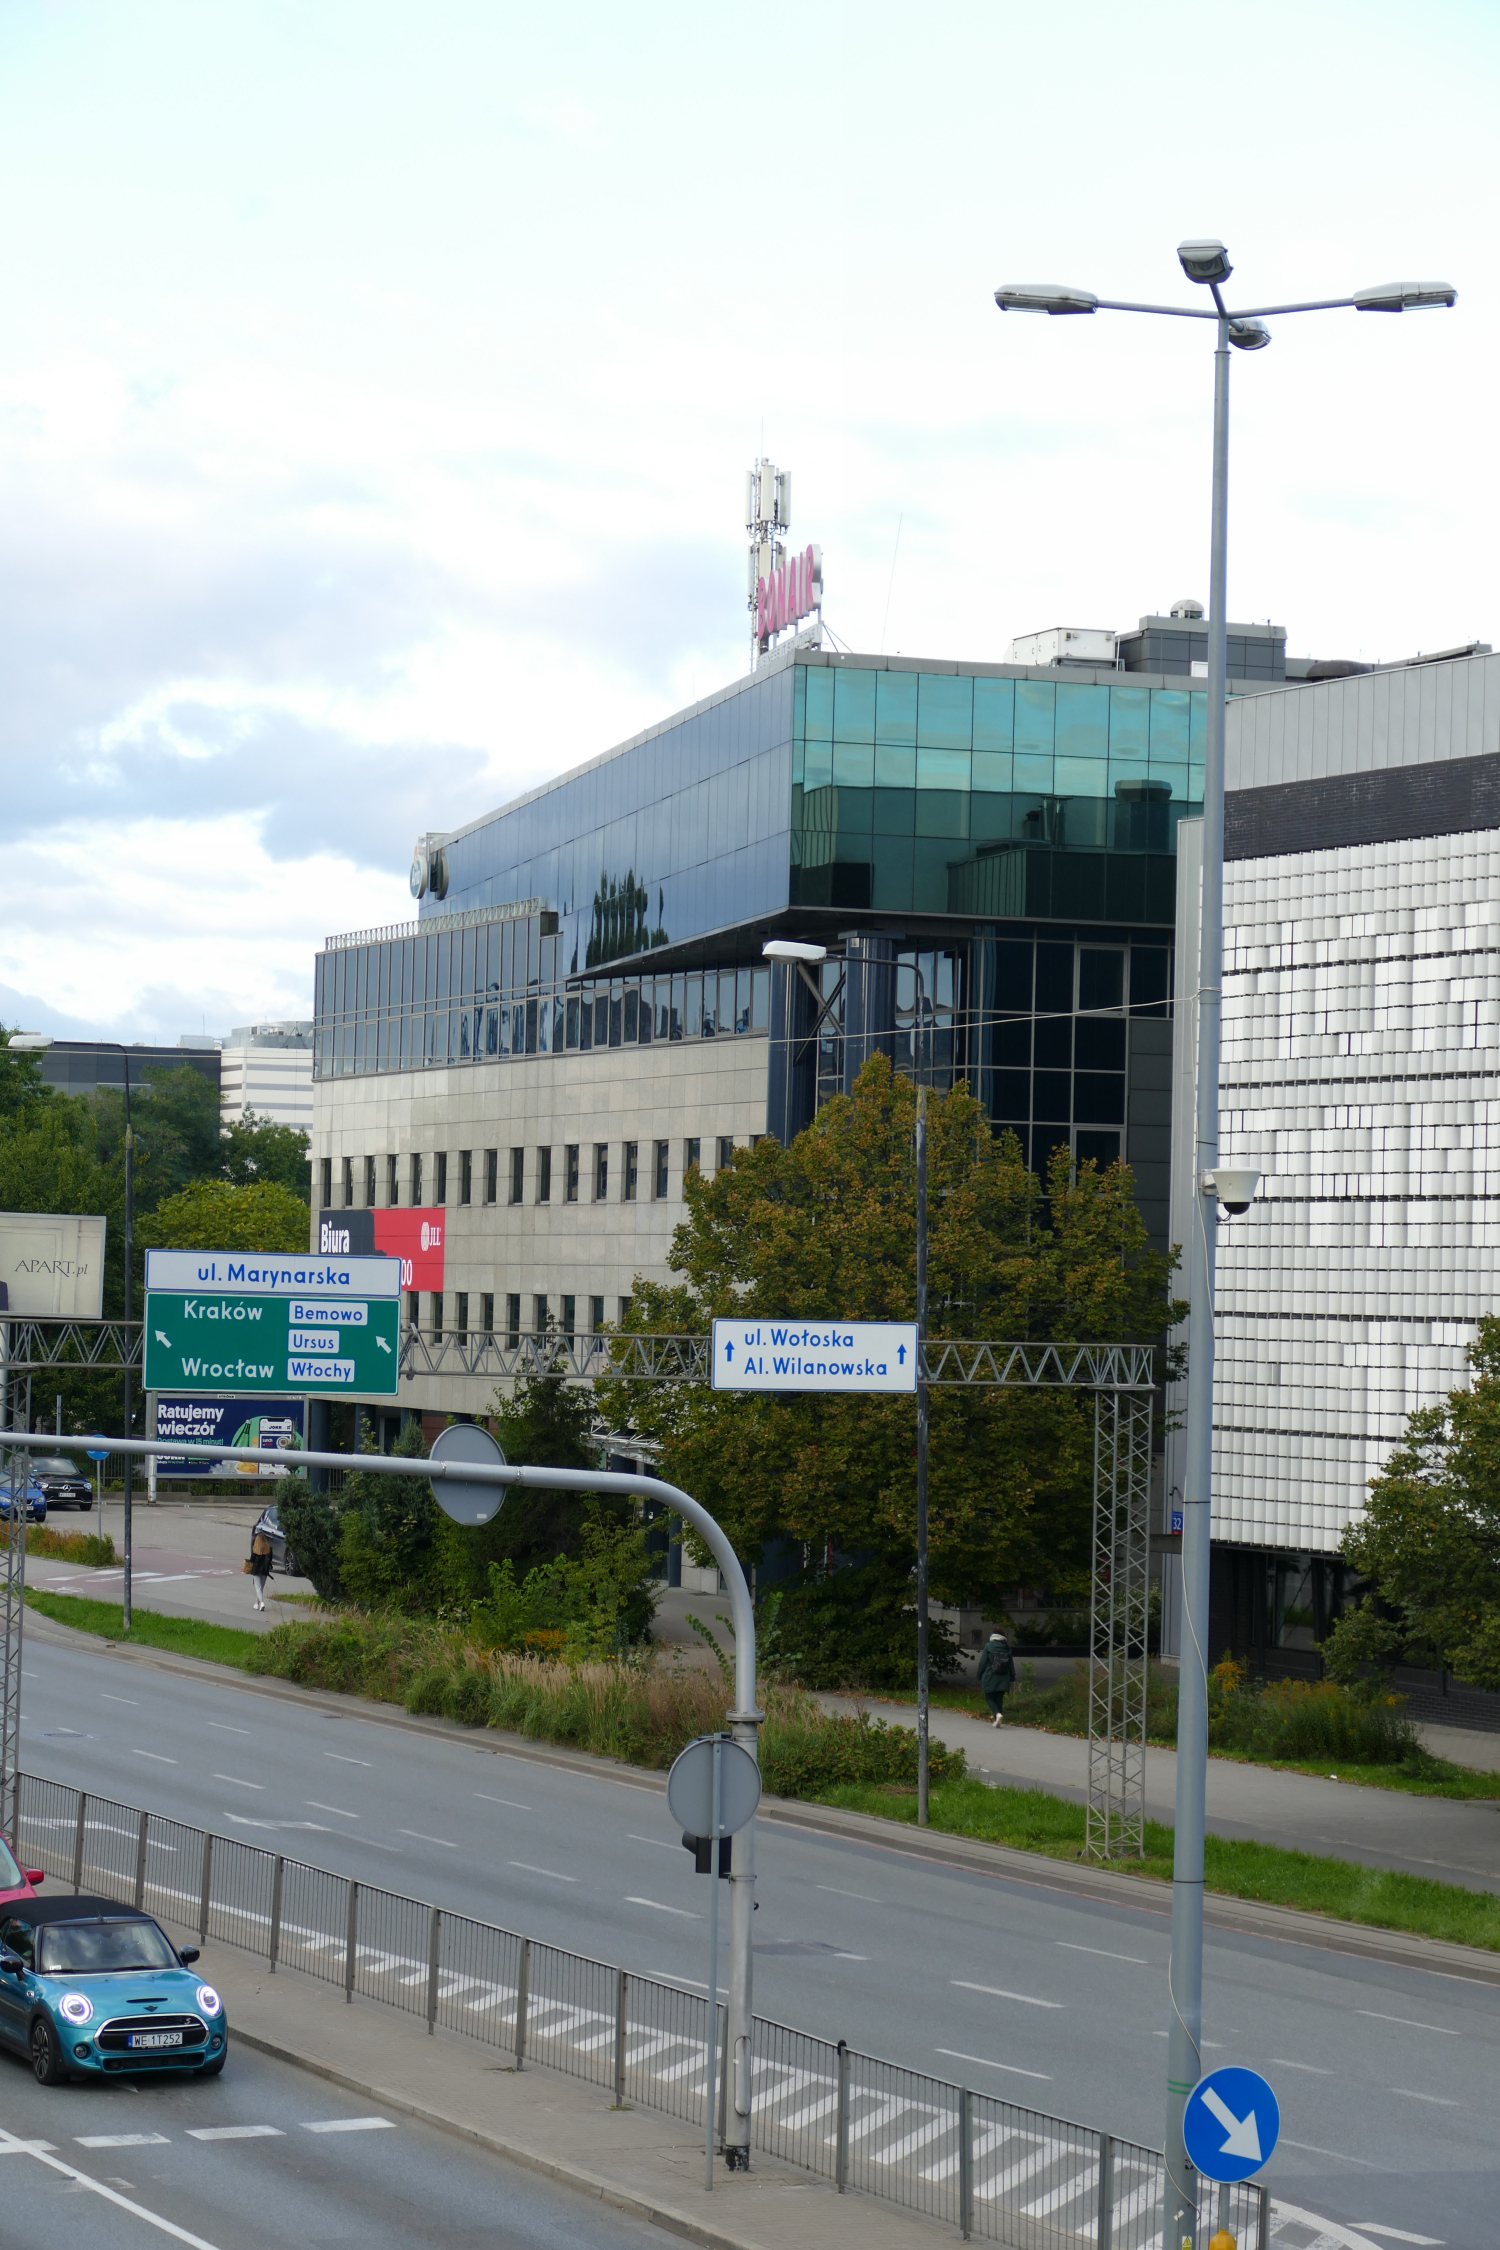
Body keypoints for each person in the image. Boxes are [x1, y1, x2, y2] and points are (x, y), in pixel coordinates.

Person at [977, 1629, 1016, 1726]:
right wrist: (1012, 1676)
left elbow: (982, 1662)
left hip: (990, 1675)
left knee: (989, 1697)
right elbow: (1011, 1664)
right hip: (1004, 1676)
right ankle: (997, 1721)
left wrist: (979, 1674)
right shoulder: (1007, 1648)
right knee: (999, 1698)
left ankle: (997, 1714)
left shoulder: (989, 1646)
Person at [249, 1526, 273, 1612]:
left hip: (256, 1571)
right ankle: (257, 1603)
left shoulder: (255, 1550)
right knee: (260, 1588)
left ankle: (262, 1602)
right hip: (265, 1571)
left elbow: (252, 1560)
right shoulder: (269, 1549)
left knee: (257, 1587)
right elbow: (270, 1560)